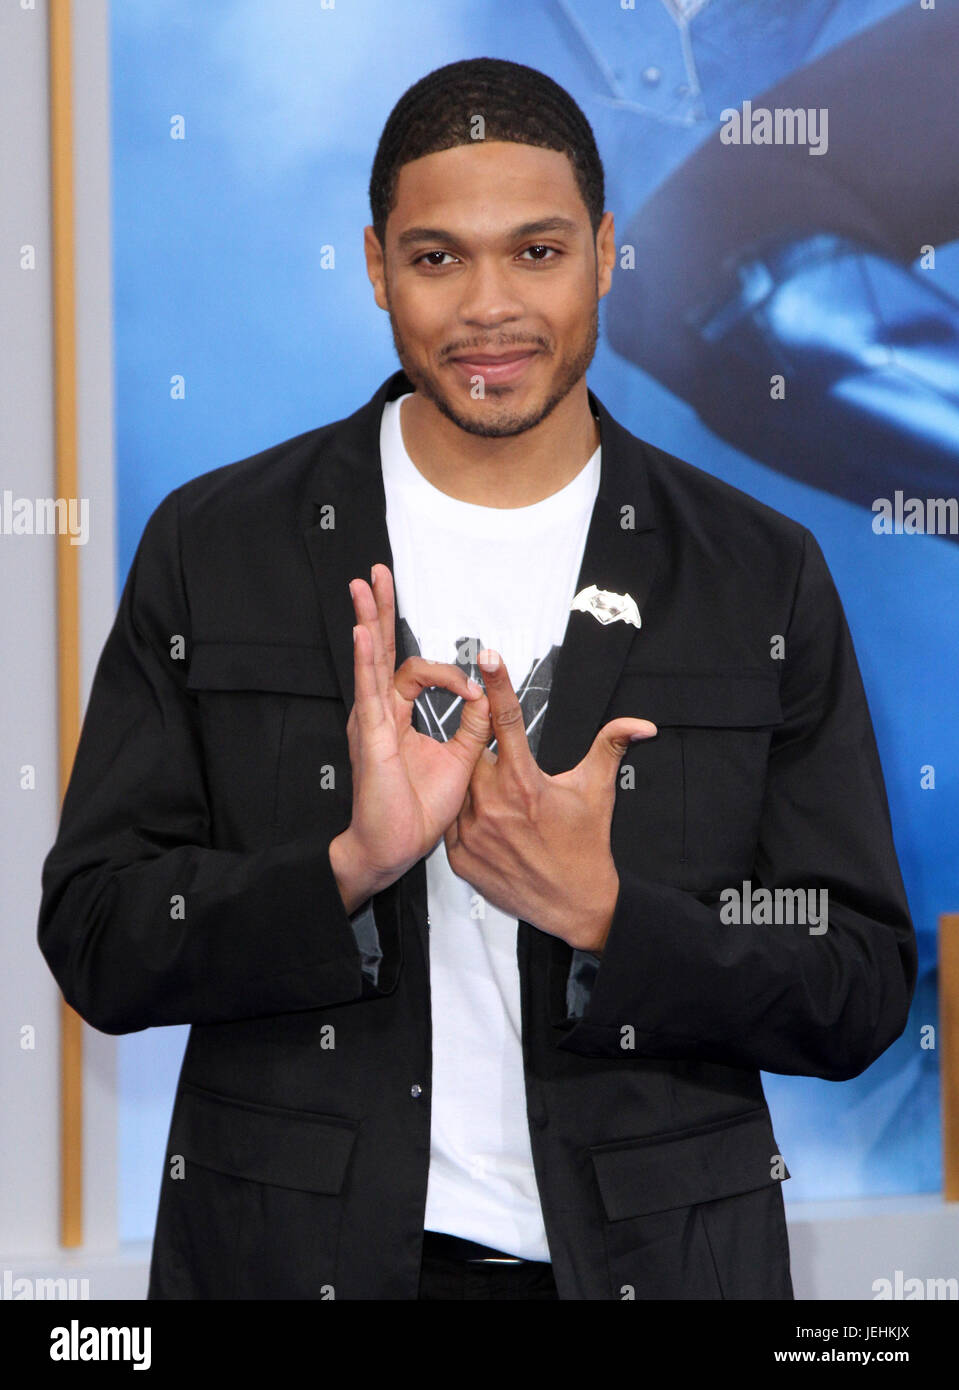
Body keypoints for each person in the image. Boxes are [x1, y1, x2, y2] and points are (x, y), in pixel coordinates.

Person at [37, 57, 916, 1301]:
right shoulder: (216, 543)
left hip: (658, 1267)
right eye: (438, 257)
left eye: (538, 253)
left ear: (607, 253)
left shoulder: (755, 572)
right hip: (293, 1265)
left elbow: (857, 980)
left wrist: (612, 914)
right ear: (375, 261)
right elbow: (98, 937)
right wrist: (346, 867)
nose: (488, 309)